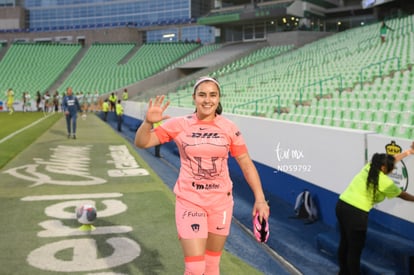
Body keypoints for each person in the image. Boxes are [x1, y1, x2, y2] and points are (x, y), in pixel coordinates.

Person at [134, 76, 270, 275]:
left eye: (213, 95)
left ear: (219, 98)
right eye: (202, 95)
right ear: (194, 98)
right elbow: (142, 142)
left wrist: (260, 199)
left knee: (212, 265)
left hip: (221, 203)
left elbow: (246, 163)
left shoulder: (229, 128)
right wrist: (147, 123)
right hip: (190, 201)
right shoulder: (179, 124)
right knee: (196, 268)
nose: (207, 100)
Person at [335, 143, 414, 275]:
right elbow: (403, 195)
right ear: (383, 168)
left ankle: (343, 273)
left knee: (345, 242)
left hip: (341, 205)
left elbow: (391, 159)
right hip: (357, 214)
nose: (393, 169)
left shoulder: (370, 167)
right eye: (392, 168)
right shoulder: (385, 182)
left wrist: (408, 152)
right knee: (355, 250)